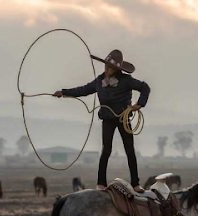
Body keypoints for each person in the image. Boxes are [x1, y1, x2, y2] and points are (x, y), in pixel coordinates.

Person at [53, 49, 150, 192]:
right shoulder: (99, 81)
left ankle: (135, 184)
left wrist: (138, 105)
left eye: (110, 67)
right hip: (108, 118)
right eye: (106, 66)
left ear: (117, 69)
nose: (107, 69)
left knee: (129, 150)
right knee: (106, 150)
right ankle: (101, 183)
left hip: (123, 118)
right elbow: (83, 89)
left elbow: (145, 87)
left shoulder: (126, 81)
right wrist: (64, 92)